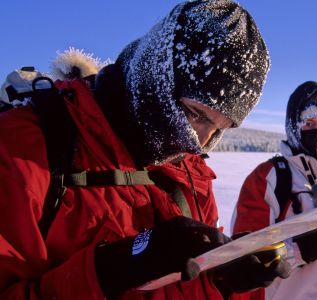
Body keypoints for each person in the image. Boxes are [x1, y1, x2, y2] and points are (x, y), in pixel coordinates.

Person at [0, 1, 291, 299]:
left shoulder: (191, 171)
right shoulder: (24, 147)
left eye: (219, 129)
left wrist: (222, 279)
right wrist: (108, 271)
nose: (200, 142)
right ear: (155, 78)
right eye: (195, 114)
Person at [232, 81, 317, 300]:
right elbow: (246, 259)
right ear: (293, 125)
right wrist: (306, 247)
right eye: (309, 122)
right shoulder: (269, 178)